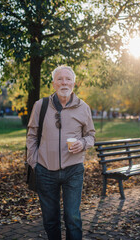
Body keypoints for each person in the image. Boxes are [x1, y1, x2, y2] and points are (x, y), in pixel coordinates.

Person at [26, 65, 95, 240]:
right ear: (53, 84)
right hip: (45, 170)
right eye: (60, 79)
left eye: (68, 79)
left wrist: (83, 143)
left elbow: (91, 136)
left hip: (73, 170)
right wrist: (34, 163)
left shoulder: (83, 107)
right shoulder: (40, 105)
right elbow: (32, 135)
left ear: (74, 83)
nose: (64, 82)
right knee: (50, 219)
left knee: (73, 217)